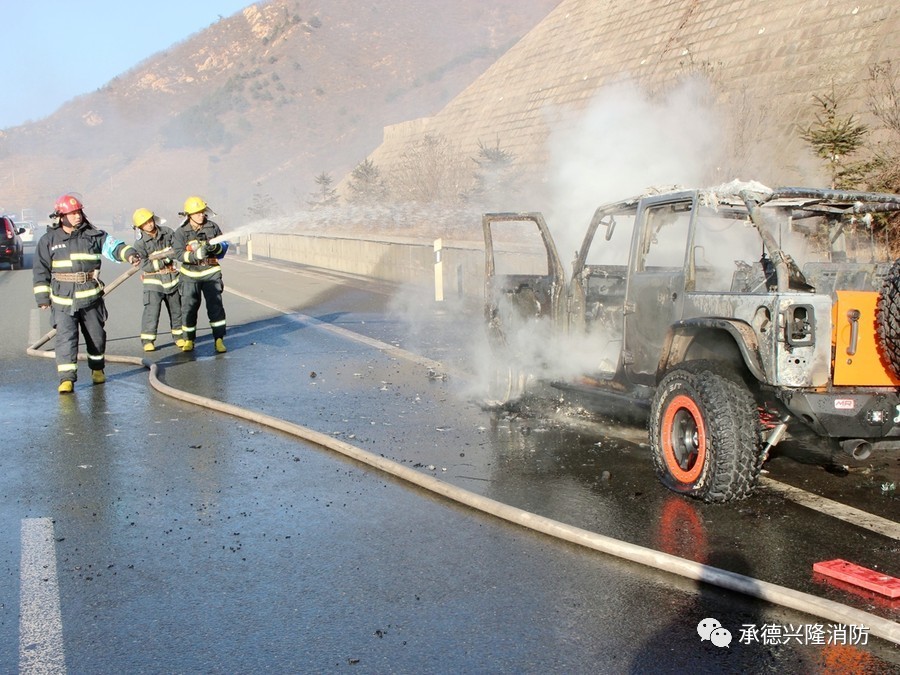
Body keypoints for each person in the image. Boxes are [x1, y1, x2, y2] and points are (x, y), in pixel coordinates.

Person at [33, 194, 140, 393]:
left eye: (78, 212)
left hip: (91, 298)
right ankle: (66, 379)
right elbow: (40, 270)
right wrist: (42, 297)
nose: (77, 216)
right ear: (60, 216)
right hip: (63, 301)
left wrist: (130, 254)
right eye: (72, 213)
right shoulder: (48, 240)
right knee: (66, 339)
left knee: (96, 337)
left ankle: (97, 369)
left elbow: (115, 247)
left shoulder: (93, 235)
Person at [171, 196, 229, 353]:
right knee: (189, 308)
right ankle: (189, 339)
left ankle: (218, 339)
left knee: (215, 307)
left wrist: (214, 249)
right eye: (196, 213)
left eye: (202, 212)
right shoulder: (181, 232)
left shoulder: (213, 227)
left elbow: (224, 247)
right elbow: (177, 254)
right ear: (189, 215)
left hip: (211, 272)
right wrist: (194, 256)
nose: (200, 215)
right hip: (189, 275)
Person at [131, 208, 184, 351]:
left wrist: (168, 257)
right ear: (140, 227)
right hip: (153, 281)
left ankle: (179, 337)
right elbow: (145, 265)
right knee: (151, 311)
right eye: (144, 223)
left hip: (172, 278)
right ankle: (148, 340)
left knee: (177, 310)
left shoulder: (167, 232)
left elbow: (177, 249)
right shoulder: (140, 244)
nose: (149, 224)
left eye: (150, 221)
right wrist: (164, 260)